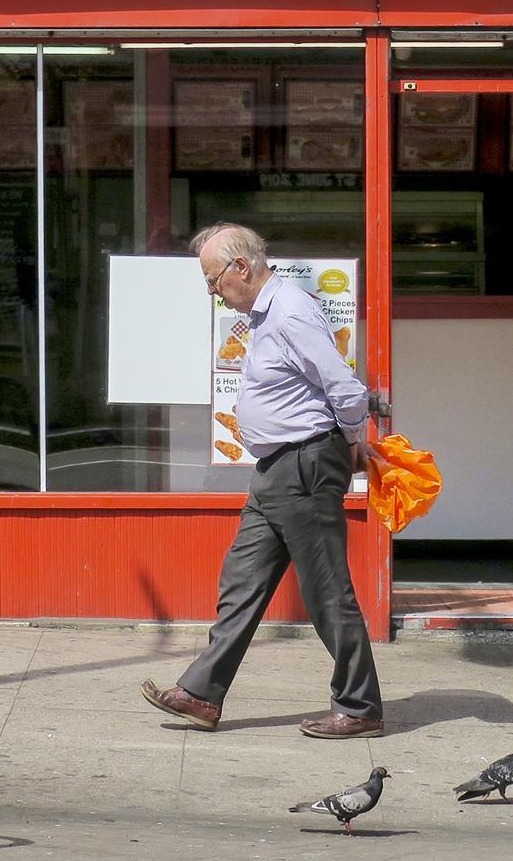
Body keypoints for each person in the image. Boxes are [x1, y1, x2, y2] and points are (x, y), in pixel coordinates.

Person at [140, 222, 384, 739]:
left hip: (305, 463)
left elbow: (343, 386)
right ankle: (201, 693)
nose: (212, 291)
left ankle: (359, 706)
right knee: (242, 581)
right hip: (276, 469)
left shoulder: (291, 312)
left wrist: (351, 443)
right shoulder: (264, 314)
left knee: (325, 592)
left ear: (241, 267)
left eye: (213, 280)